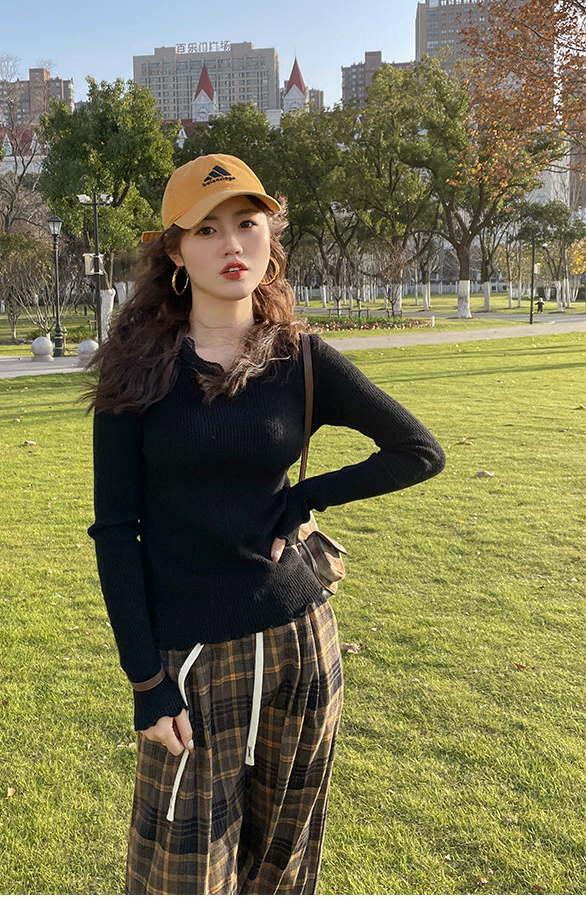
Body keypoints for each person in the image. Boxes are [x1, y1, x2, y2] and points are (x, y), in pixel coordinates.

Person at [86, 154, 445, 895]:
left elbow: (418, 451)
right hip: (191, 662)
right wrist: (146, 682)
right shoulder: (135, 372)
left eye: (247, 223)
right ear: (175, 251)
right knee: (181, 881)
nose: (232, 244)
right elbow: (116, 531)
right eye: (207, 229)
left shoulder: (300, 359)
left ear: (269, 237)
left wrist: (302, 499)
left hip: (299, 643)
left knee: (282, 866)